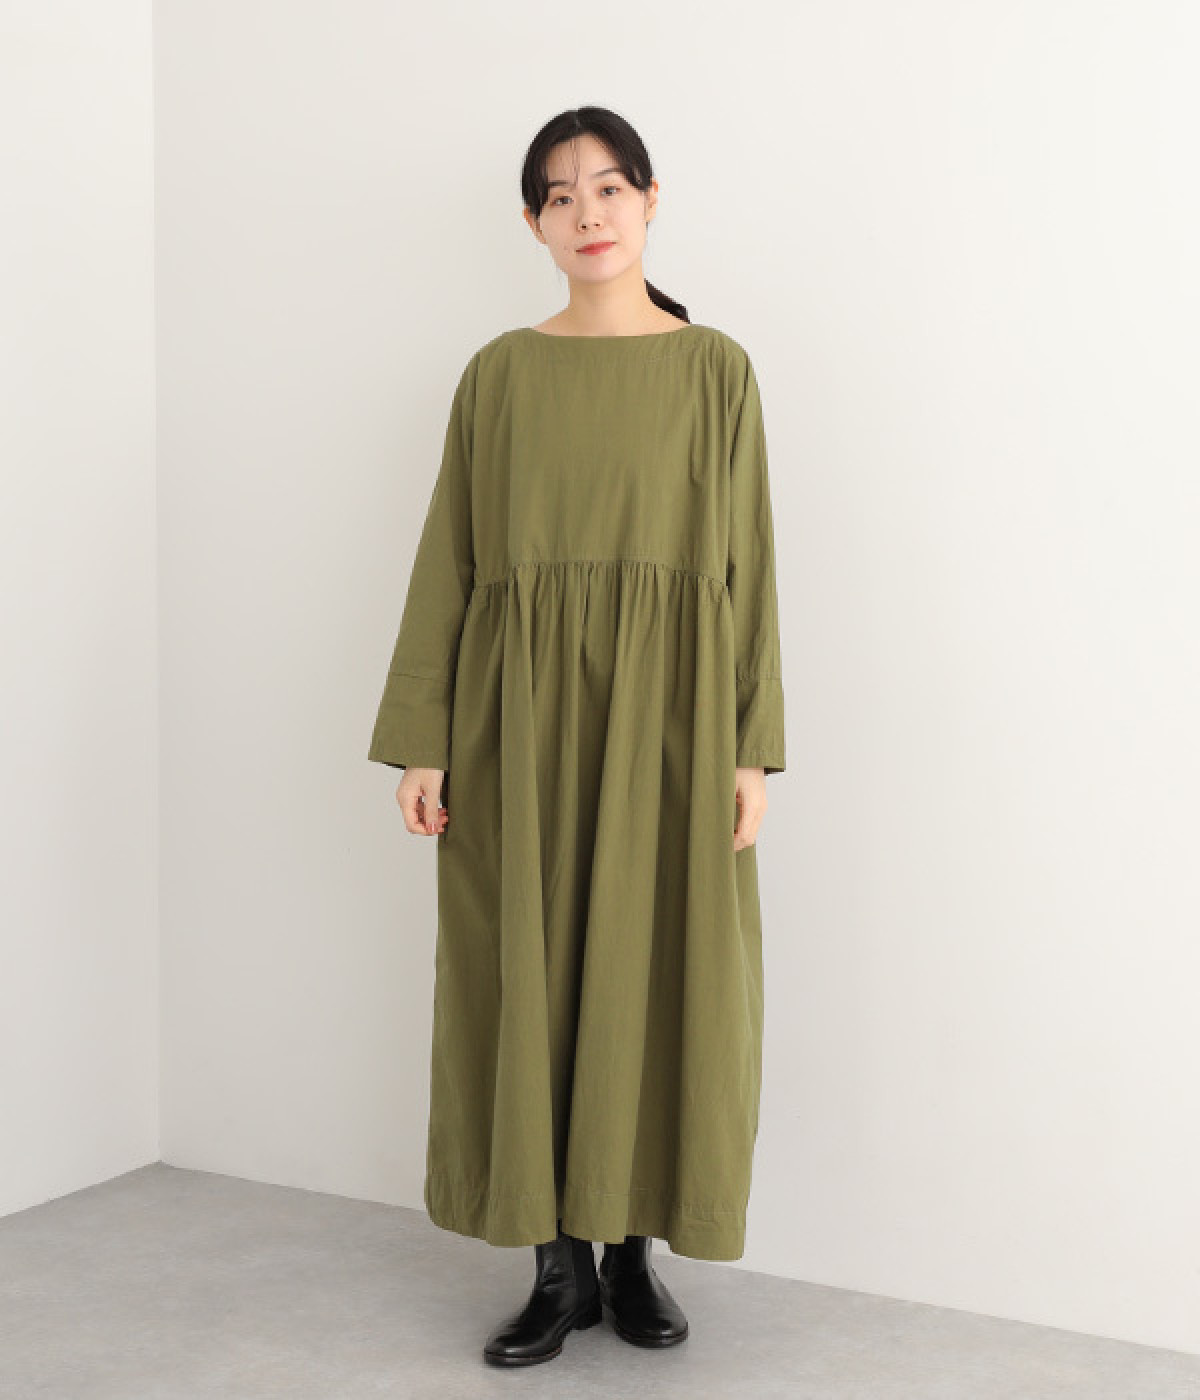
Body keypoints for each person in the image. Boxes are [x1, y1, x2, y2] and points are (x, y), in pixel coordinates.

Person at [367, 105, 786, 1367]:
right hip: (519, 723)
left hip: (672, 720)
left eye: (609, 187)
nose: (588, 213)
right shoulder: (499, 373)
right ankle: (555, 1265)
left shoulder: (716, 370)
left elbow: (750, 570)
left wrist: (750, 745)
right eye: (561, 195)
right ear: (535, 222)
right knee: (527, 966)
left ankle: (631, 1252)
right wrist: (426, 735)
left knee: (663, 968)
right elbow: (450, 560)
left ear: (650, 201)